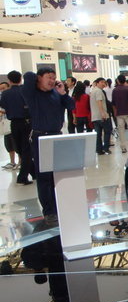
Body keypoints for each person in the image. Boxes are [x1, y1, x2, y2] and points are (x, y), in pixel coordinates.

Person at [21, 68, 75, 225]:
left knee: (57, 175)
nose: (52, 81)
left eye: (54, 77)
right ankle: (49, 211)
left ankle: (58, 206)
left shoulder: (56, 93)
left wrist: (62, 92)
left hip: (56, 136)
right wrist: (37, 79)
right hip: (40, 137)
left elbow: (71, 106)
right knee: (44, 176)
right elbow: (28, 76)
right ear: (39, 78)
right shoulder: (32, 94)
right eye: (49, 77)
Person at [0, 71, 34, 184]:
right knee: (26, 149)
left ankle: (27, 175)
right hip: (27, 122)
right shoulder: (25, 91)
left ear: (9, 80)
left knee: (20, 148)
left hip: (14, 123)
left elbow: (3, 106)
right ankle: (29, 174)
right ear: (20, 79)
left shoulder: (5, 94)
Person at [112, 75, 128, 154]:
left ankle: (123, 147)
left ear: (118, 81)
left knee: (121, 130)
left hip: (119, 113)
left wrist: (115, 112)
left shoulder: (115, 90)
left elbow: (113, 103)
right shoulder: (127, 89)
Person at [90, 78, 112, 155]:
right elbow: (99, 102)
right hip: (102, 116)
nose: (103, 84)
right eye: (101, 82)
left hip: (95, 116)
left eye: (104, 82)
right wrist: (103, 113)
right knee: (107, 131)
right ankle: (106, 148)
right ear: (97, 83)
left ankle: (99, 149)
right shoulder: (99, 91)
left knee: (98, 134)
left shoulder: (93, 91)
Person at [0, 81, 17, 170]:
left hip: (13, 123)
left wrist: (2, 111)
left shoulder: (12, 97)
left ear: (8, 87)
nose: (2, 90)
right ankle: (12, 162)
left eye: (4, 88)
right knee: (8, 144)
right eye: (0, 89)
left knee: (16, 144)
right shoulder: (2, 98)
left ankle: (20, 162)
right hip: (5, 124)